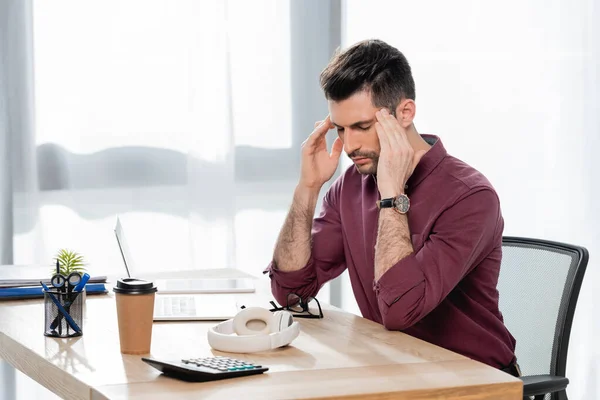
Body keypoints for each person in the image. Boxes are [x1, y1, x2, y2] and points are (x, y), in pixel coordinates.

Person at [263, 39, 518, 374]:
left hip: (477, 379)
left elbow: (400, 311)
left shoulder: (470, 196)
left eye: (362, 127)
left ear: (405, 113)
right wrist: (307, 189)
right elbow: (291, 293)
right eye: (340, 129)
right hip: (396, 370)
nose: (350, 145)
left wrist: (391, 193)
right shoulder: (351, 186)